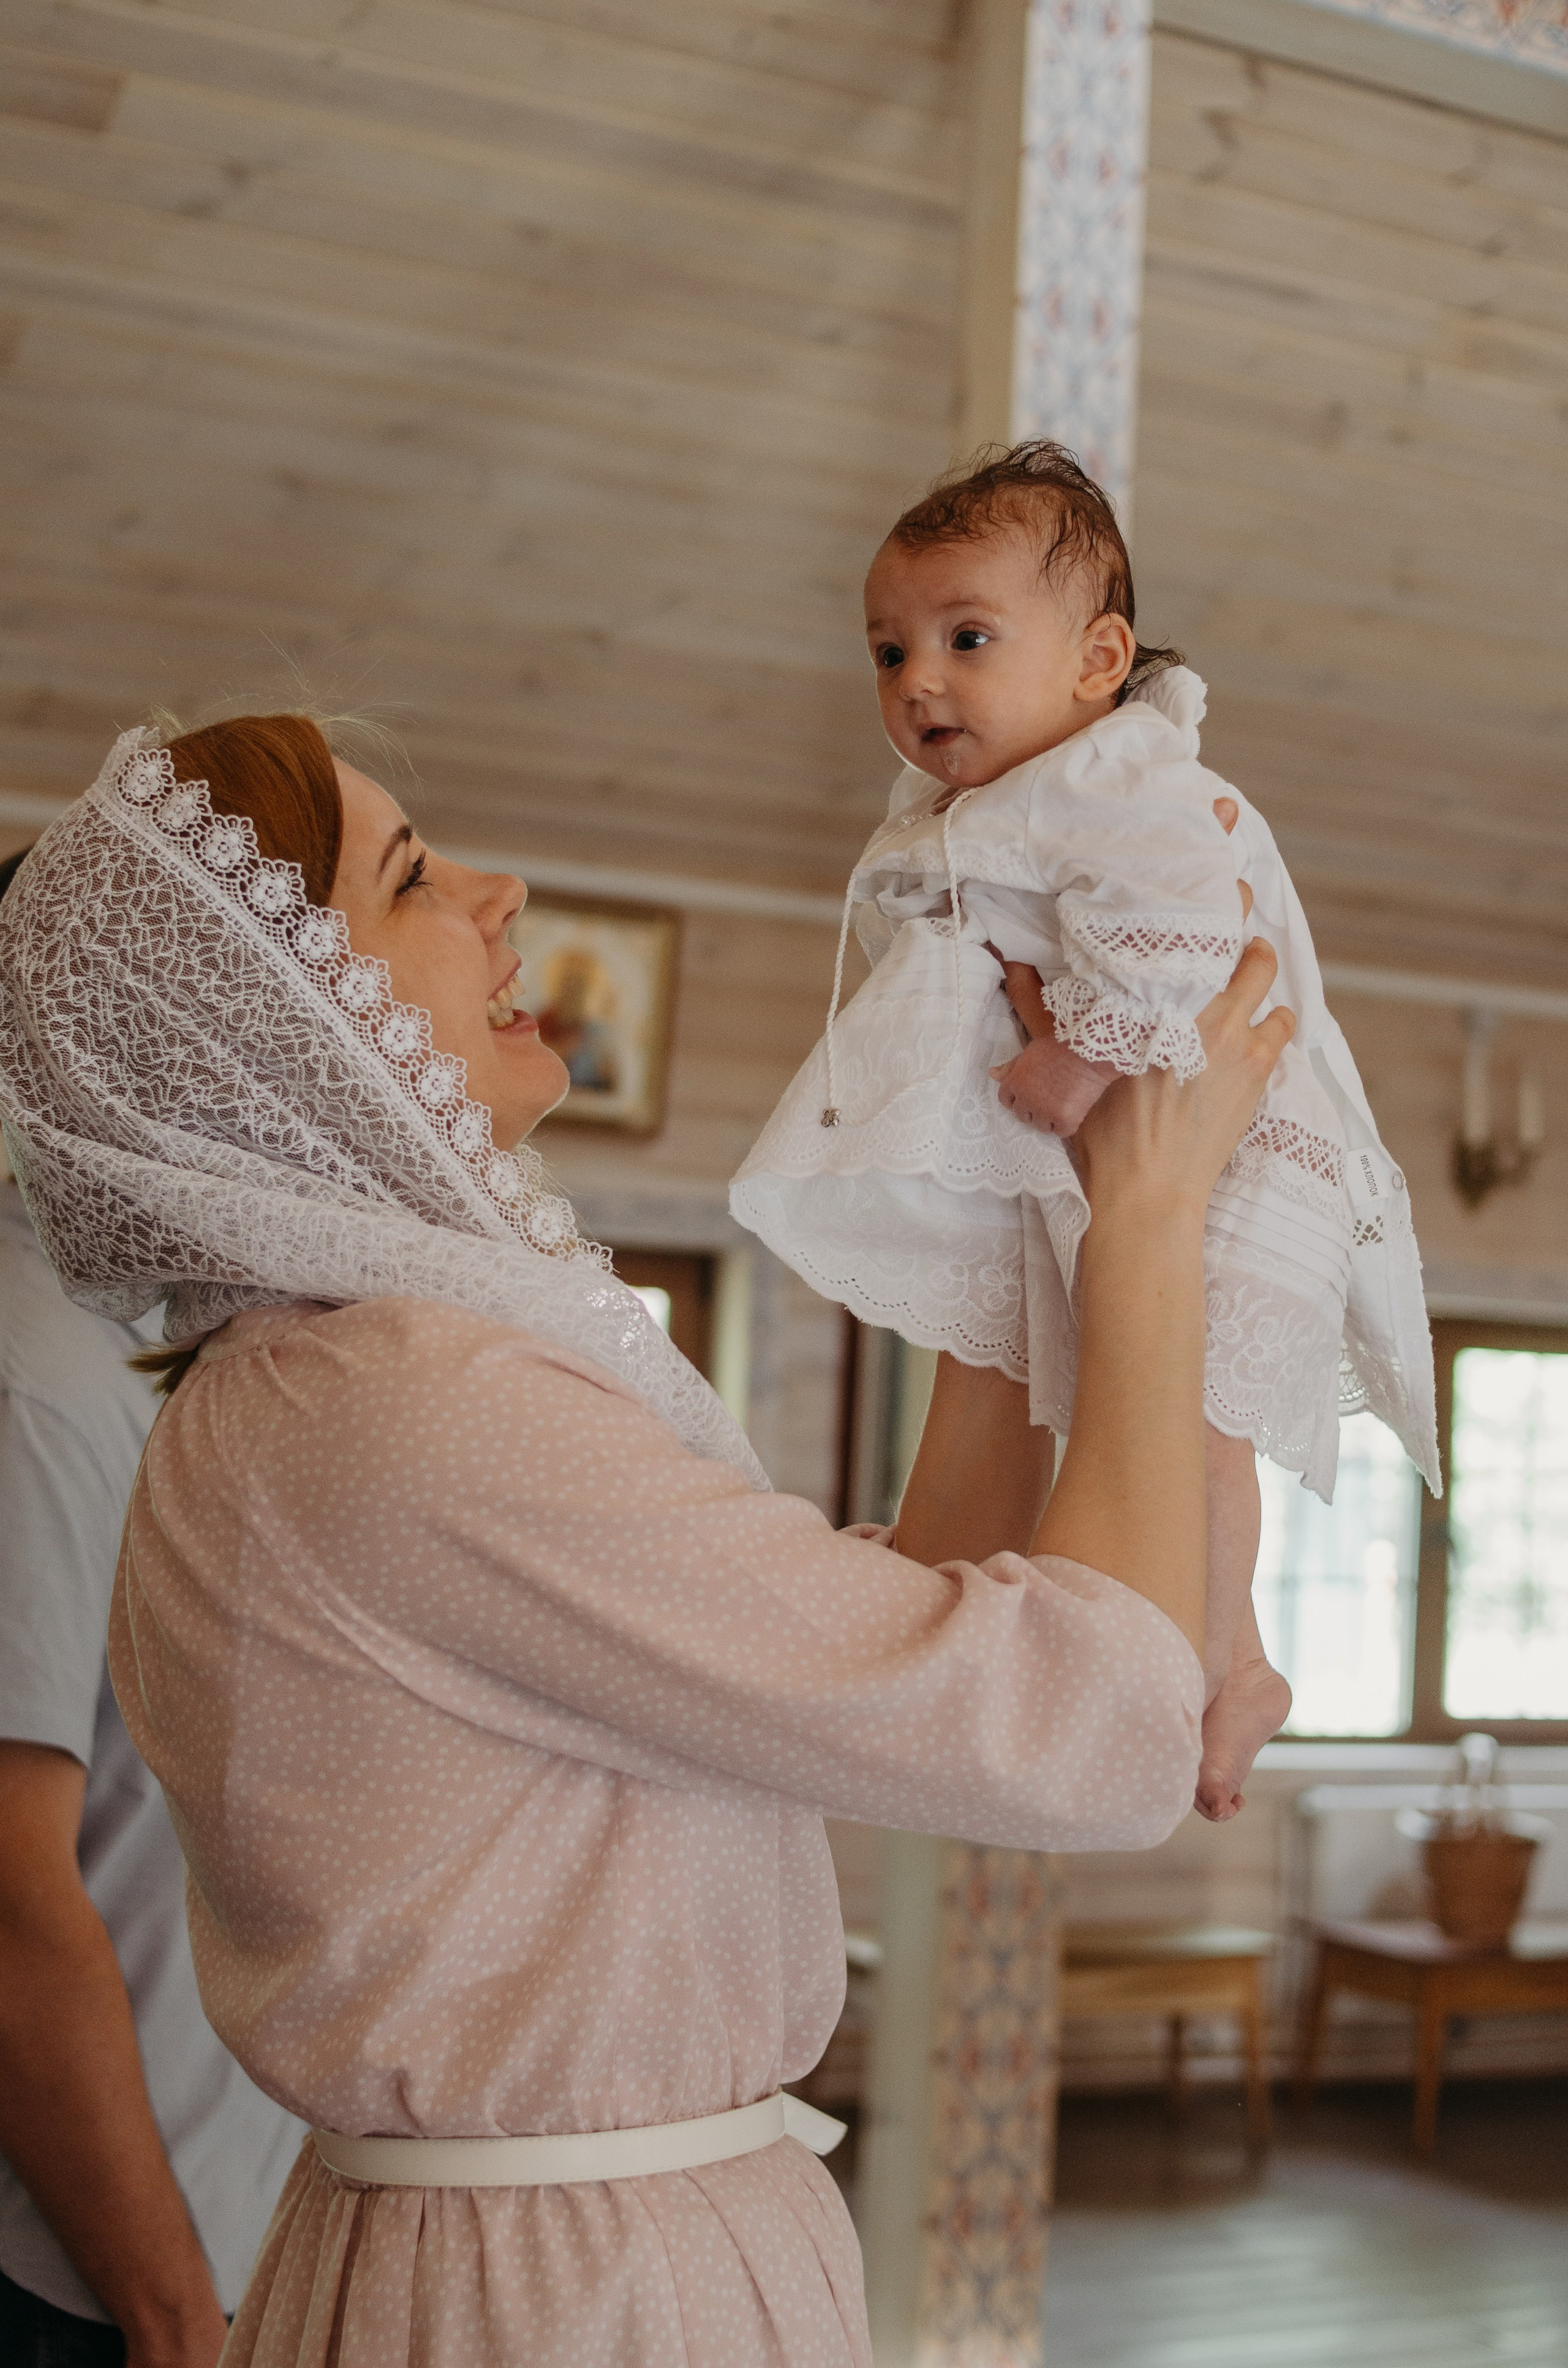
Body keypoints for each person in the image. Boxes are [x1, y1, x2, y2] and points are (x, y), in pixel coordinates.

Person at [0, 709, 1291, 2368]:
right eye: (409, 878)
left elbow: (870, 1648)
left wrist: (998, 1252)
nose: (498, 890)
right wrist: (1156, 1222)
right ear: (280, 1026)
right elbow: (1089, 1728)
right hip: (575, 2292)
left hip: (524, 2256)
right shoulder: (401, 1403)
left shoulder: (301, 1392)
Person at [731, 441, 1439, 1823]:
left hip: (1234, 1144)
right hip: (1155, 1143)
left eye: (965, 637)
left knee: (1187, 1415)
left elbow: (1182, 937)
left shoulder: (1120, 775)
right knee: (1127, 1397)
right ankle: (1209, 1652)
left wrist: (1075, 1059)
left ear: (1095, 657)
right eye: (887, 650)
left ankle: (1226, 1660)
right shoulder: (992, 801)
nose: (917, 680)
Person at [0, 842, 297, 2368]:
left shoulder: (159, 1333)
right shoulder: (38, 1369)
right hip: (93, 2276)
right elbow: (5, 1894)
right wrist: (173, 2316)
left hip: (220, 2232)